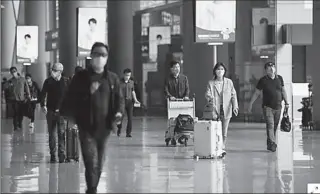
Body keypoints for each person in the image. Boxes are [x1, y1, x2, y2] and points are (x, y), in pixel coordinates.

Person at [61, 42, 124, 194]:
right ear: (91, 56)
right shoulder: (81, 78)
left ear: (107, 58)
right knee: (91, 162)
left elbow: (119, 99)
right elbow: (70, 98)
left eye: (103, 55)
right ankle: (92, 189)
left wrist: (119, 113)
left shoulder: (112, 79)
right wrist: (88, 93)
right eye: (96, 54)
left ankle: (92, 187)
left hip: (105, 128)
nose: (99, 58)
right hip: (86, 127)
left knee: (100, 163)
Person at [248, 62, 289, 152]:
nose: (271, 69)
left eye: (273, 67)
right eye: (269, 67)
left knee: (275, 126)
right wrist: (251, 103)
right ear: (266, 70)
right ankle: (273, 143)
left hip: (278, 106)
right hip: (267, 107)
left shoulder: (279, 78)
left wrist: (287, 102)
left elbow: (283, 91)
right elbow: (257, 93)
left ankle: (270, 143)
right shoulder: (263, 80)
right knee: (270, 125)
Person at [205, 62, 238, 154]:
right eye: (218, 69)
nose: (220, 71)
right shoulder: (211, 83)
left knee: (224, 130)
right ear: (215, 71)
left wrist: (235, 106)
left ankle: (222, 146)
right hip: (215, 109)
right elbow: (207, 94)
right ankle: (215, 146)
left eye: (222, 69)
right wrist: (210, 98)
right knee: (215, 129)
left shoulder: (229, 82)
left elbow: (233, 95)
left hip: (226, 109)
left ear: (225, 71)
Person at [40, 63, 69, 163]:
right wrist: (42, 105)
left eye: (55, 70)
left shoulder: (66, 81)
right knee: (52, 134)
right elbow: (43, 93)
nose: (52, 72)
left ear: (60, 71)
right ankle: (53, 155)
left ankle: (62, 155)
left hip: (61, 112)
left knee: (61, 133)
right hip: (51, 111)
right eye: (52, 70)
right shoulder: (48, 81)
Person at [117, 68, 140, 137]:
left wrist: (135, 100)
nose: (127, 77)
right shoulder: (119, 82)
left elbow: (133, 92)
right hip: (122, 102)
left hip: (129, 102)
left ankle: (128, 133)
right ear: (124, 75)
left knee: (130, 118)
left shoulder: (131, 82)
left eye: (129, 75)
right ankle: (119, 128)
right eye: (126, 75)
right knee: (121, 117)